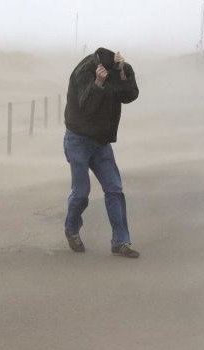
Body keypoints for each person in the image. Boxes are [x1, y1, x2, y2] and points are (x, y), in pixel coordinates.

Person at [63, 47, 139, 258]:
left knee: (114, 189)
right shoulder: (84, 71)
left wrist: (123, 73)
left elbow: (130, 95)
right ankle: (71, 228)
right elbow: (86, 107)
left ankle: (121, 242)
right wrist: (98, 83)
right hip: (77, 139)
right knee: (81, 193)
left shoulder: (119, 68)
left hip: (102, 142)